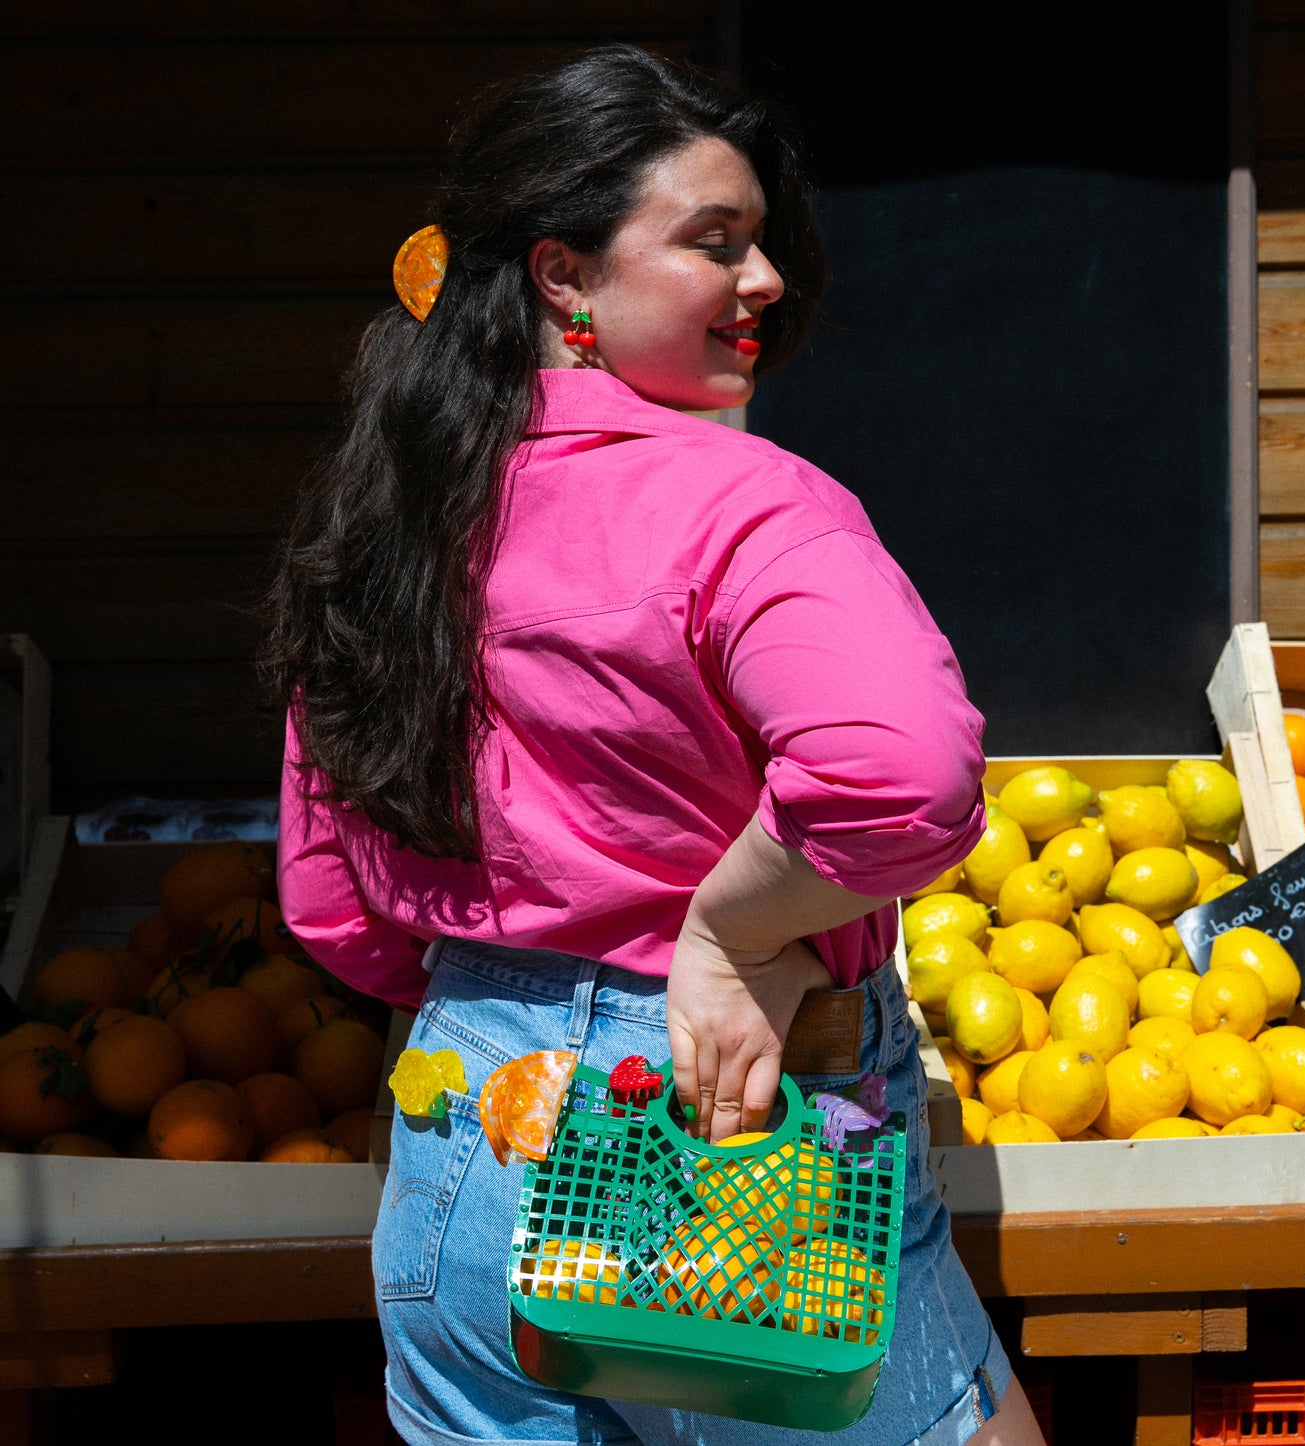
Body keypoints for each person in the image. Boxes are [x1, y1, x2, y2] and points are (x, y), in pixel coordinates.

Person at [266, 44, 1044, 1446]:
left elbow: (333, 901)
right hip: (728, 1128)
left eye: (763, 243)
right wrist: (730, 934)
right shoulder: (747, 503)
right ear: (562, 274)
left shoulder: (389, 513)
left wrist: (517, 981)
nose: (767, 280)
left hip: (463, 1132)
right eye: (716, 242)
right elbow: (902, 779)